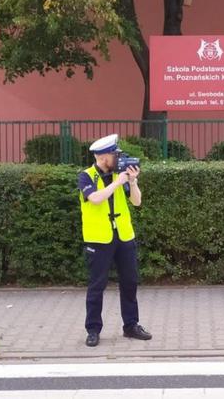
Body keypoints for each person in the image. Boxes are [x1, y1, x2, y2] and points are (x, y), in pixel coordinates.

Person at [78, 133, 152, 347]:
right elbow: (95, 198)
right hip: (99, 238)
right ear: (102, 157)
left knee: (129, 282)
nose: (118, 158)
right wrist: (118, 183)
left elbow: (137, 202)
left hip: (123, 236)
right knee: (97, 285)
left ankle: (131, 325)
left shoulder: (121, 175)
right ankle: (93, 329)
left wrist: (133, 182)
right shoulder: (86, 176)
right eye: (114, 154)